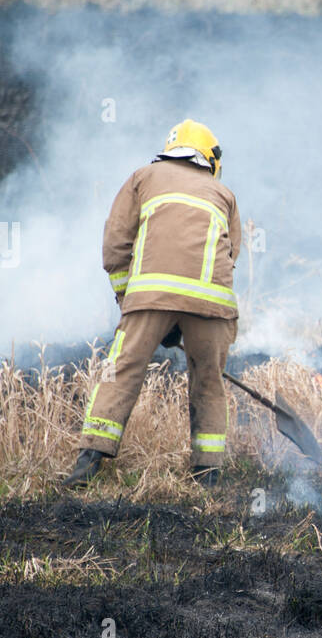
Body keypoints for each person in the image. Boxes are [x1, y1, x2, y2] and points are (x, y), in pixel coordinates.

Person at [64, 119, 241, 488]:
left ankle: (86, 466)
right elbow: (232, 253)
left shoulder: (143, 177)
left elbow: (115, 243)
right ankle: (208, 475)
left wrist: (129, 299)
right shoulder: (223, 194)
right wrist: (189, 312)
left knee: (123, 370)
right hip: (213, 302)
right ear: (210, 158)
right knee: (208, 380)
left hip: (149, 296)